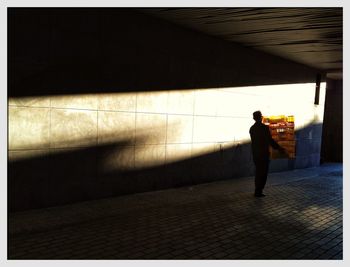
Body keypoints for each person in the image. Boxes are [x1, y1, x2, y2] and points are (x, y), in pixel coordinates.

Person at [249, 111, 285, 197]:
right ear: (261, 117)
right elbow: (270, 140)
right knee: (263, 173)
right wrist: (279, 148)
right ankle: (259, 191)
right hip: (264, 154)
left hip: (256, 154)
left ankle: (257, 191)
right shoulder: (264, 128)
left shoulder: (252, 129)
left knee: (258, 172)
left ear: (254, 118)